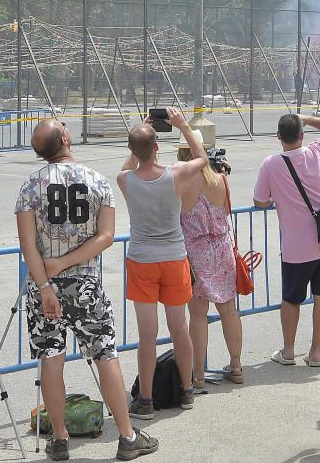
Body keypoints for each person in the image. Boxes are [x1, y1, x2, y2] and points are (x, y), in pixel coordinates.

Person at [16, 119, 158, 461]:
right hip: (85, 286)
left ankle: (60, 438)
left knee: (51, 358)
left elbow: (28, 247)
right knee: (104, 354)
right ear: (65, 139)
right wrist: (67, 264)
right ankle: (126, 436)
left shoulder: (29, 188)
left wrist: (48, 282)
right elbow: (106, 236)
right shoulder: (97, 181)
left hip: (43, 287)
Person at [118, 108, 207, 417]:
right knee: (179, 327)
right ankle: (186, 390)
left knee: (147, 335)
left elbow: (130, 163)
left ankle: (145, 399)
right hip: (174, 256)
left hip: (142, 259)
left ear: (132, 150)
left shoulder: (125, 179)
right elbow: (202, 158)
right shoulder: (176, 173)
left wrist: (138, 135)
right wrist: (182, 126)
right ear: (157, 147)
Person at [253, 113, 320, 366]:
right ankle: (315, 353)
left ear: (279, 136)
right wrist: (306, 117)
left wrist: (275, 199)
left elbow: (259, 200)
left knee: (291, 299)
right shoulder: (319, 150)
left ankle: (289, 351)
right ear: (303, 135)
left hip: (295, 246)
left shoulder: (271, 163)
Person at [175, 130, 243, 388]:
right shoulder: (220, 180)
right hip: (222, 248)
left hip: (195, 252)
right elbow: (225, 212)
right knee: (228, 309)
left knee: (198, 314)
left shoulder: (181, 183)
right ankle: (236, 364)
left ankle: (198, 374)